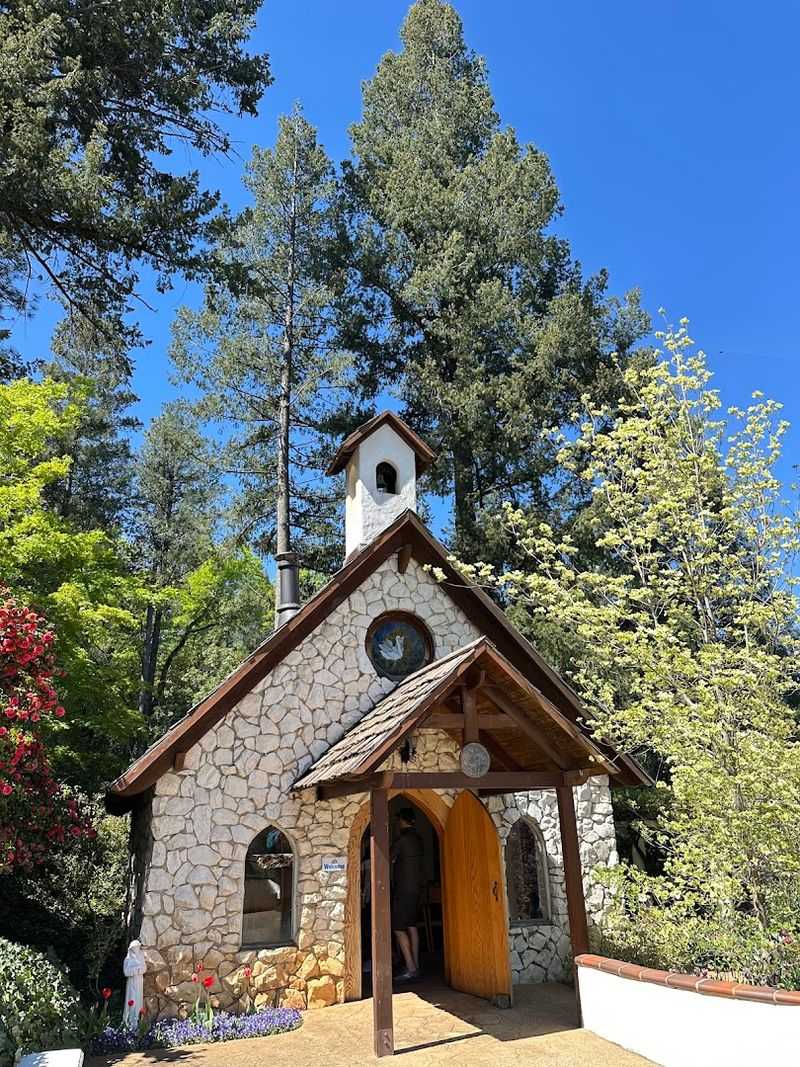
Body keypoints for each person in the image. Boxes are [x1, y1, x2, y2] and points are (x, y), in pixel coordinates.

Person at [390, 807, 424, 981]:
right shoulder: (418, 839)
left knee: (398, 928)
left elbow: (388, 858)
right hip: (417, 889)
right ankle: (416, 964)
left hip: (403, 890)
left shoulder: (401, 840)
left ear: (402, 821)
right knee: (412, 926)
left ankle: (410, 968)